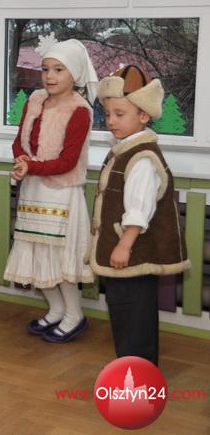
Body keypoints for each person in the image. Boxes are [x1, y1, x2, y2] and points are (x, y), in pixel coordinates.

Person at [89, 65, 190, 365]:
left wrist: (124, 244)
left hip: (132, 253)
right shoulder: (124, 150)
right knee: (127, 315)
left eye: (119, 114)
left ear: (144, 115)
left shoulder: (142, 158)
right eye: (108, 114)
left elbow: (139, 208)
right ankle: (133, 371)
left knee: (134, 319)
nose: (111, 121)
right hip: (127, 254)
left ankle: (139, 377)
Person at [3, 38, 97, 343]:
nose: (49, 76)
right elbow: (20, 140)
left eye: (58, 69)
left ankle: (74, 314)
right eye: (45, 69)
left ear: (75, 73)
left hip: (61, 192)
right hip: (34, 187)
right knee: (37, 252)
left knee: (59, 256)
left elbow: (68, 161)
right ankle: (56, 309)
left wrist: (31, 166)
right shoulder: (35, 100)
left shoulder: (79, 111)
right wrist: (22, 159)